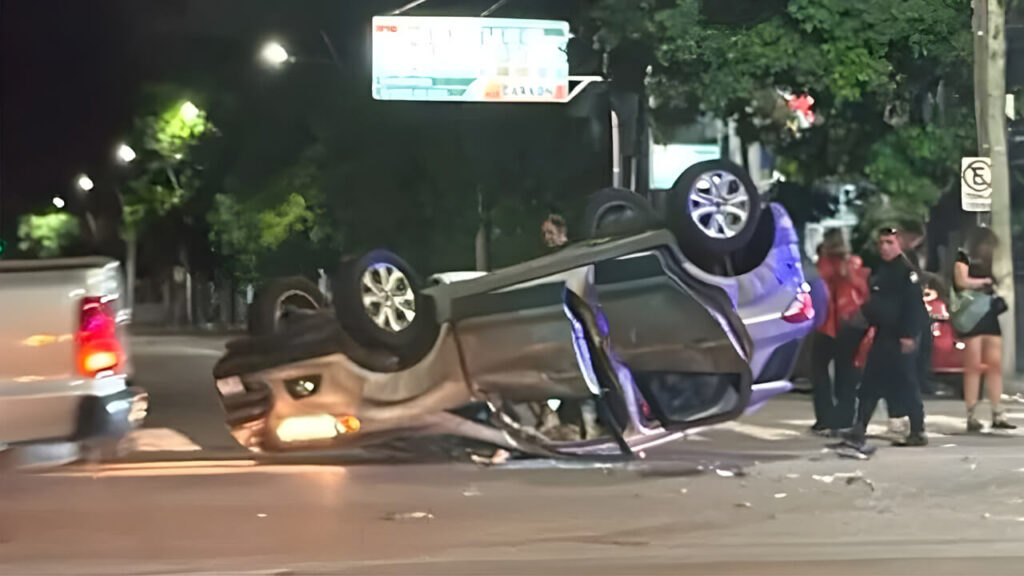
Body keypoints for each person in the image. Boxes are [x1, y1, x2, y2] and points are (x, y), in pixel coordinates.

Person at [843, 227, 929, 450]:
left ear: (899, 244)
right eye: (881, 242)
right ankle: (859, 429)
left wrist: (908, 335)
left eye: (889, 242)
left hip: (899, 336)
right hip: (884, 334)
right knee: (871, 383)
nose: (884, 247)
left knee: (907, 384)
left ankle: (918, 430)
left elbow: (913, 306)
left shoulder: (905, 272)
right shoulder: (884, 270)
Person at [954, 227, 1015, 432]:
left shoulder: (992, 260)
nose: (990, 249)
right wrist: (983, 282)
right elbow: (960, 281)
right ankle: (972, 413)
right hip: (972, 312)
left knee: (994, 364)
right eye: (987, 244)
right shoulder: (963, 256)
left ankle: (997, 411)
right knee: (973, 366)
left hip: (988, 311)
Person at [810, 230, 869, 434]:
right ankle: (833, 417)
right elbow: (821, 279)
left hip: (837, 323)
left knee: (835, 372)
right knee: (832, 373)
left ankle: (835, 417)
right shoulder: (835, 263)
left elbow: (858, 286)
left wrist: (840, 263)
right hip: (835, 322)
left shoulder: (846, 263)